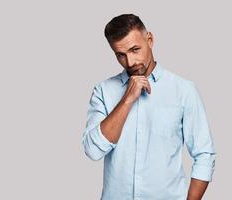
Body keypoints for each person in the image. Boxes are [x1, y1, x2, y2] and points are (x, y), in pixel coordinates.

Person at [82, 13, 216, 200]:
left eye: (135, 49)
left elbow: (204, 154)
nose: (130, 62)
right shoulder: (103, 91)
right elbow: (93, 150)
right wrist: (127, 99)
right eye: (121, 55)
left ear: (150, 39)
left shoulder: (183, 90)